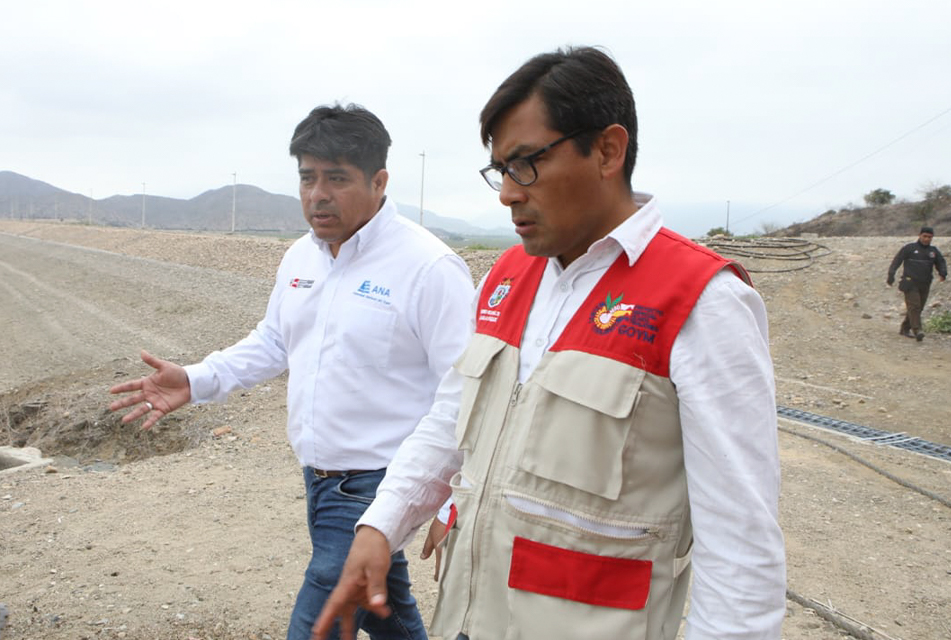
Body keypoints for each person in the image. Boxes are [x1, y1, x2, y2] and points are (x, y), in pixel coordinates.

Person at [313, 47, 786, 640]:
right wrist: (381, 526)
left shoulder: (701, 302)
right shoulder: (509, 276)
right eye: (499, 170)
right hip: (469, 621)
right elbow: (452, 420)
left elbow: (741, 545)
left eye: (526, 164)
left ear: (609, 150)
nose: (507, 193)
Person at [109, 103, 474, 640]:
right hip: (319, 477)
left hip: (379, 481)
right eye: (307, 178)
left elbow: (462, 393)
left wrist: (450, 494)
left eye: (336, 179)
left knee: (317, 620)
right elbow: (275, 340)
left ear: (379, 181)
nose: (317, 194)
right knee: (384, 609)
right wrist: (196, 379)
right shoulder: (302, 257)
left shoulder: (429, 268)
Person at [887, 226, 947, 341]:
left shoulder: (933, 251)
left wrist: (943, 273)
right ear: (919, 235)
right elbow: (897, 261)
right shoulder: (909, 248)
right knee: (914, 306)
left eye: (929, 237)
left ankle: (905, 327)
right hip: (909, 282)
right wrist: (891, 275)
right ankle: (917, 330)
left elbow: (941, 262)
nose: (927, 239)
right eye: (924, 236)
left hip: (925, 283)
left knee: (919, 308)